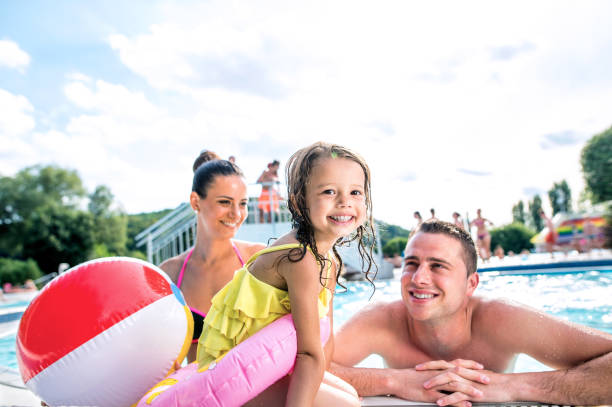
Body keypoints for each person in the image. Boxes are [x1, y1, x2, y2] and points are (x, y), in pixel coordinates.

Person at [331, 220, 612, 406]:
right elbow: (301, 369)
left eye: (438, 266)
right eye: (411, 263)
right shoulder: (381, 320)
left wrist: (510, 386)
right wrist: (395, 380)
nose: (418, 278)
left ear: (471, 284)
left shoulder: (503, 320)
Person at [197, 142, 376, 406]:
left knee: (348, 394)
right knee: (345, 404)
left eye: (355, 192)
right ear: (299, 200)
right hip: (227, 381)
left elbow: (323, 349)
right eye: (329, 191)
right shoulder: (300, 258)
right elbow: (309, 355)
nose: (344, 202)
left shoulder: (329, 261)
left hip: (256, 371)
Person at [161, 152, 266, 362]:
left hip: (257, 389)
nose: (236, 214)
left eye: (243, 203)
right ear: (195, 202)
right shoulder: (170, 274)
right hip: (199, 392)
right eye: (225, 202)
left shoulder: (257, 259)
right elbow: (159, 358)